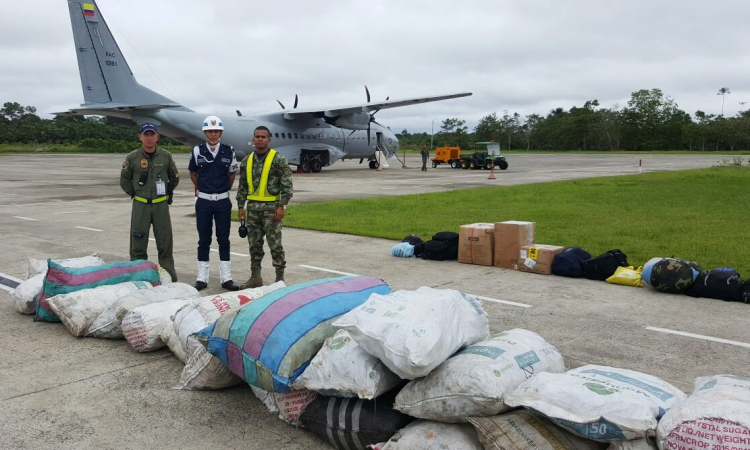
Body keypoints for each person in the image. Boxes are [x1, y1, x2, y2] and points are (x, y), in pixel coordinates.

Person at [120, 123, 180, 281]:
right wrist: (135, 193)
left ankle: (170, 279)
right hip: (140, 205)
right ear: (140, 136)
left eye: (152, 134)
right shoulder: (132, 157)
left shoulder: (165, 156)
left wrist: (168, 192)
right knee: (138, 244)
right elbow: (124, 180)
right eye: (145, 134)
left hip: (161, 205)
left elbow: (174, 176)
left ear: (157, 137)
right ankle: (139, 278)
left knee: (165, 242)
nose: (149, 138)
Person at [236, 126, 293, 288]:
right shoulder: (247, 161)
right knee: (254, 245)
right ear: (253, 140)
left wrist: (282, 206)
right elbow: (242, 187)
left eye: (263, 137)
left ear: (269, 139)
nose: (260, 139)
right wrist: (241, 206)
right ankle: (255, 277)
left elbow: (287, 186)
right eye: (257, 137)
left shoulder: (278, 160)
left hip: (272, 210)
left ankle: (280, 279)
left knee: (275, 245)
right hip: (253, 210)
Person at [188, 116, 240, 291]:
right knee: (204, 240)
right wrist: (203, 189)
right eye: (210, 131)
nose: (213, 134)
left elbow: (232, 174)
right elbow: (193, 173)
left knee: (223, 239)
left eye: (216, 131)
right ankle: (202, 278)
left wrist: (222, 190)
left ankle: (226, 278)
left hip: (223, 202)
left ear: (221, 132)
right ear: (205, 132)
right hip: (203, 202)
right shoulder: (197, 151)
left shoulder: (229, 151)